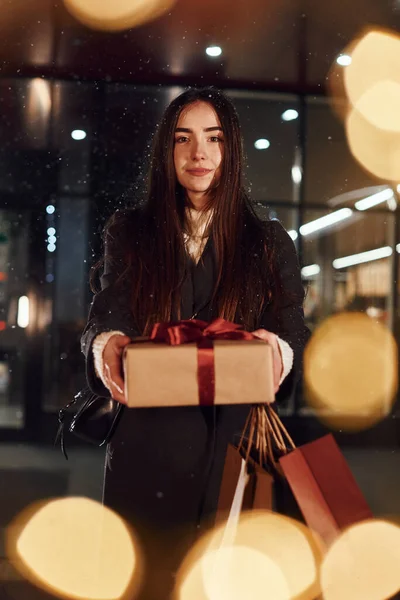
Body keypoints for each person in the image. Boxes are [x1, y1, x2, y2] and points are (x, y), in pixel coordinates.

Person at [81, 87, 310, 599]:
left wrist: (275, 348)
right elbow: (107, 312)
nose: (198, 154)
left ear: (231, 152)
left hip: (235, 443)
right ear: (167, 152)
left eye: (213, 139)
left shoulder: (267, 242)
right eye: (183, 139)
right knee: (146, 578)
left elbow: (291, 324)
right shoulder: (132, 231)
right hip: (148, 442)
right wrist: (107, 344)